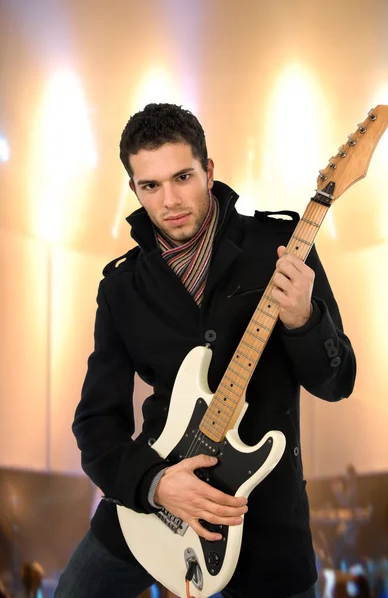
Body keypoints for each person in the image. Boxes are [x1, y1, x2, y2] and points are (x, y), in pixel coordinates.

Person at [55, 103, 356, 598]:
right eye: (150, 185)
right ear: (134, 188)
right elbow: (95, 423)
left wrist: (304, 319)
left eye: (183, 177)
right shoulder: (121, 287)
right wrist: (155, 485)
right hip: (152, 502)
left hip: (264, 515)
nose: (169, 199)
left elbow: (337, 382)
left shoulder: (281, 246)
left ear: (209, 171)